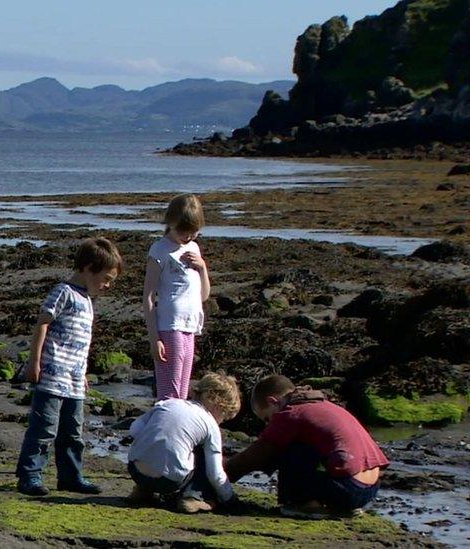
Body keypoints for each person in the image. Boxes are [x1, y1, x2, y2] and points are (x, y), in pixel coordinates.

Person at [16, 237, 123, 497]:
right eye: (106, 278)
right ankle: (30, 475)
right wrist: (34, 362)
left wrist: (83, 372)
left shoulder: (87, 300)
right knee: (44, 429)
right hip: (52, 375)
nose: (108, 285)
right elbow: (42, 324)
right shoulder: (63, 292)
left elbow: (81, 343)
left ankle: (71, 476)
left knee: (73, 432)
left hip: (74, 380)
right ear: (88, 267)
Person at [226, 374, 389, 518]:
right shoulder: (326, 406)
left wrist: (223, 473)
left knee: (291, 448)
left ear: (273, 401)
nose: (269, 424)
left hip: (347, 488)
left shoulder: (291, 414)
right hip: (370, 489)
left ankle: (303, 505)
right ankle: (341, 508)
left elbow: (257, 455)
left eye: (267, 418)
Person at [126, 373, 241, 513]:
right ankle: (192, 497)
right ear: (220, 406)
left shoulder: (168, 403)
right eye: (224, 417)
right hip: (169, 481)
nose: (221, 422)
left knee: (159, 446)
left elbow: (134, 429)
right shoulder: (211, 424)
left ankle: (142, 491)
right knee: (203, 455)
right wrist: (230, 499)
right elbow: (215, 474)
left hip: (136, 471)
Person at [144, 194, 210, 400]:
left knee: (182, 391)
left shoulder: (193, 249)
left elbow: (204, 295)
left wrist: (203, 268)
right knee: (170, 391)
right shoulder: (159, 250)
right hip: (169, 325)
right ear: (171, 223)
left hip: (190, 326)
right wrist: (154, 339)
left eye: (193, 232)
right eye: (183, 231)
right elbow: (147, 296)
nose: (188, 236)